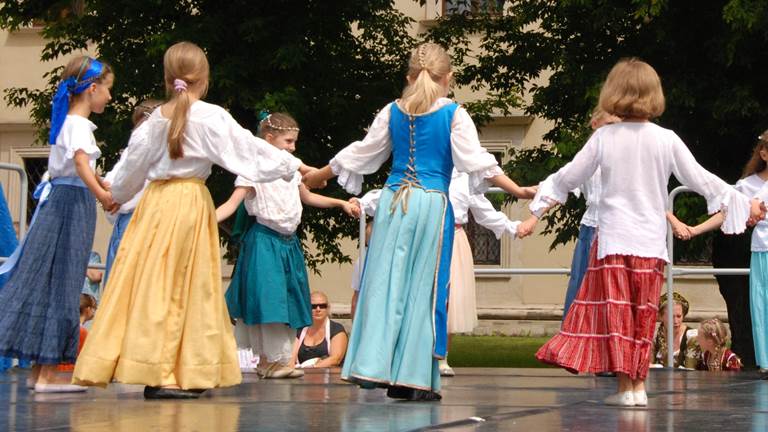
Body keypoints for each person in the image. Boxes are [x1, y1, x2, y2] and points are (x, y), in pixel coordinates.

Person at [72, 42, 308, 399]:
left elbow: (130, 169)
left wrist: (113, 194)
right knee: (188, 288)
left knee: (156, 288)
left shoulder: (155, 121)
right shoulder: (210, 116)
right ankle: (175, 373)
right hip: (189, 204)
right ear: (204, 77)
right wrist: (297, 167)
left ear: (169, 79)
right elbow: (249, 152)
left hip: (156, 205)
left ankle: (161, 369)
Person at [303, 42, 537, 401]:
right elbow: (479, 164)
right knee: (424, 292)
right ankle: (411, 378)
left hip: (395, 203)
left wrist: (318, 174)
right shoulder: (454, 114)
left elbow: (362, 153)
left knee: (386, 286)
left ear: (409, 77)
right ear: (449, 78)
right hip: (430, 205)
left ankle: (376, 366)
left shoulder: (392, 111)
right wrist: (518, 191)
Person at [521, 58, 760, 407]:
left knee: (621, 314)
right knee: (645, 314)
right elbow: (701, 178)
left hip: (615, 240)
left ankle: (625, 388)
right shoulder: (666, 139)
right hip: (650, 243)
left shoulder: (604, 137)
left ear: (614, 93)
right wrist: (740, 200)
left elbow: (568, 177)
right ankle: (639, 386)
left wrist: (538, 202)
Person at [0, 56, 115, 393]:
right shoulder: (78, 125)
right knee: (64, 281)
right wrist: (102, 195)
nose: (109, 97)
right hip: (70, 206)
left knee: (53, 282)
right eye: (107, 90)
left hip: (62, 202)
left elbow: (78, 165)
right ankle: (47, 375)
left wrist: (101, 182)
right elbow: (79, 163)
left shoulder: (69, 124)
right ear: (92, 89)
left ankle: (41, 372)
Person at [215, 112, 359, 379]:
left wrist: (340, 203)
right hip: (264, 242)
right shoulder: (252, 171)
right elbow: (232, 205)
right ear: (269, 139)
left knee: (286, 300)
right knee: (269, 301)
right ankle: (273, 360)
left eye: (295, 142)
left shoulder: (291, 172)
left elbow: (309, 195)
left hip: (287, 243)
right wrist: (203, 219)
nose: (293, 148)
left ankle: (270, 362)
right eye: (288, 142)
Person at [676, 131, 768, 372]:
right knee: (760, 307)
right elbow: (726, 213)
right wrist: (695, 230)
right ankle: (765, 362)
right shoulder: (747, 186)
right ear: (764, 153)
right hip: (762, 251)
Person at [102, 99, 163, 286]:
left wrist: (113, 194)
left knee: (124, 284)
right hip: (143, 218)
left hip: (136, 219)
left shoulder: (141, 145)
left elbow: (116, 182)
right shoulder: (162, 148)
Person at [291, 291, 348, 368]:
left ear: (328, 308)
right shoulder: (299, 330)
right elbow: (291, 359)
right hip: (301, 377)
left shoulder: (336, 329)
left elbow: (335, 359)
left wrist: (311, 367)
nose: (318, 309)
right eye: (313, 306)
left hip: (330, 377)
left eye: (322, 306)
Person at [651, 292, 701, 368]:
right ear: (660, 316)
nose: (675, 321)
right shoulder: (655, 337)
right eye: (671, 316)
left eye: (679, 316)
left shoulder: (692, 337)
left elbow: (690, 371)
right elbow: (648, 367)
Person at [57, 294, 97, 373]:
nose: (95, 311)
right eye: (94, 308)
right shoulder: (82, 331)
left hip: (57, 369)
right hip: (71, 371)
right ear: (88, 310)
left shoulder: (64, 327)